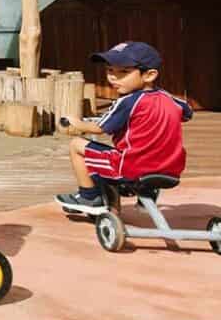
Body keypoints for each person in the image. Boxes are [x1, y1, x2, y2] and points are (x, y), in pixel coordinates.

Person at [55, 41, 192, 214]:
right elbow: (187, 113)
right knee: (141, 148)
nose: (113, 77)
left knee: (77, 145)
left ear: (149, 75)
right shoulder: (171, 99)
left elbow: (100, 128)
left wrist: (76, 122)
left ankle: (89, 197)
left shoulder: (128, 101)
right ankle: (148, 191)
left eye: (124, 72)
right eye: (110, 70)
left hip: (130, 168)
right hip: (171, 169)